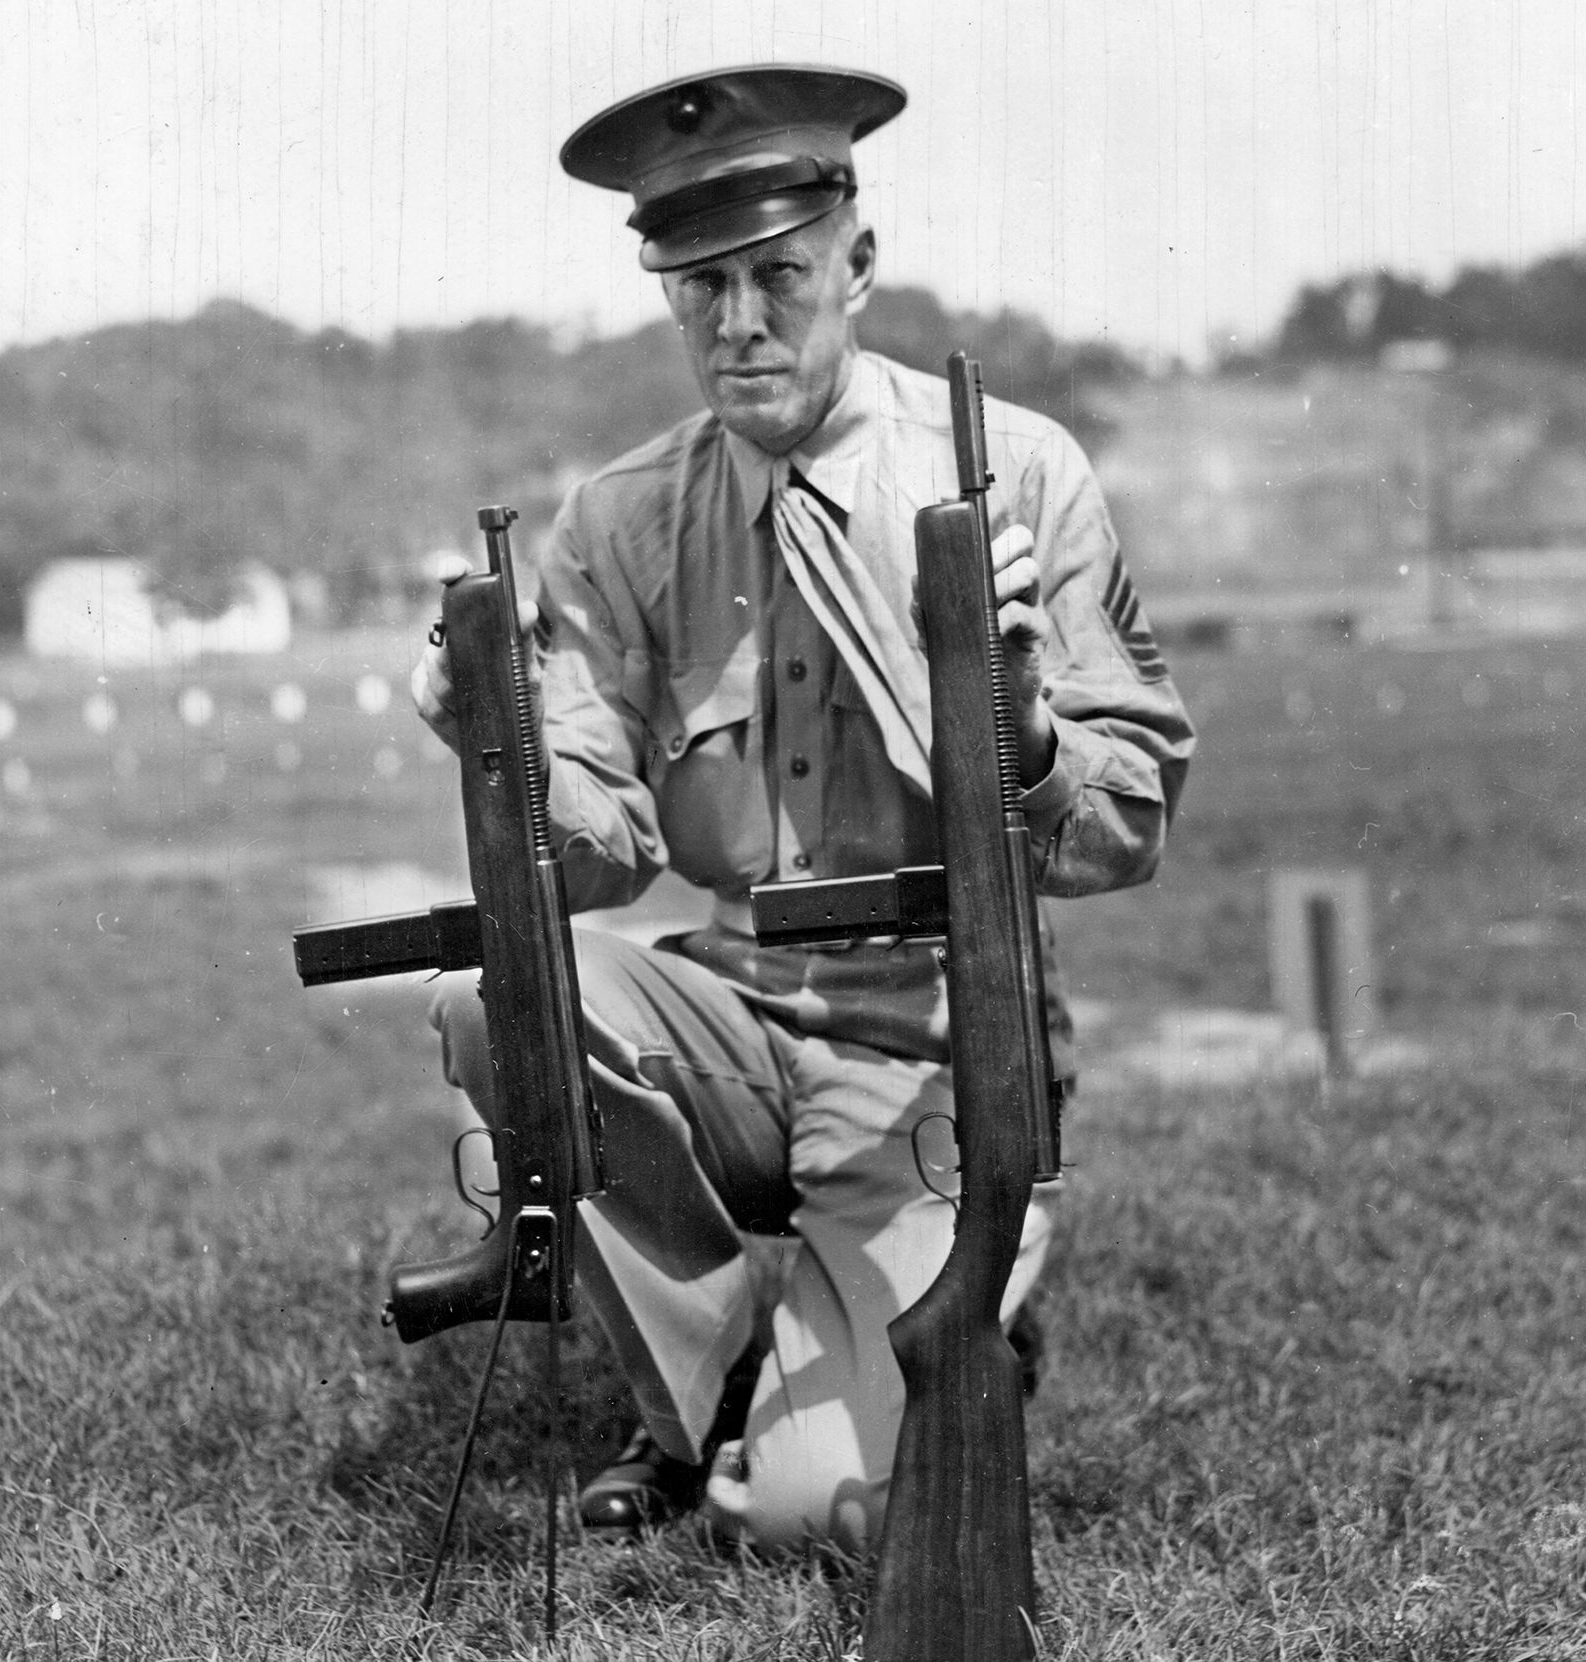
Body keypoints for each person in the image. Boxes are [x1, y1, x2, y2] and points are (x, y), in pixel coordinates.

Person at [410, 64, 1194, 1553]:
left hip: (940, 1054)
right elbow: (589, 855)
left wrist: (1019, 728)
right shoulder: (624, 519)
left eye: (775, 275)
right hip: (738, 1020)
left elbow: (1130, 819)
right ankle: (690, 1392)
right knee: (494, 995)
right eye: (696, 286)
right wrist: (493, 746)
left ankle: (910, 1339)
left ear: (855, 263)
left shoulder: (1009, 470)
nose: (738, 323)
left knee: (807, 1515)